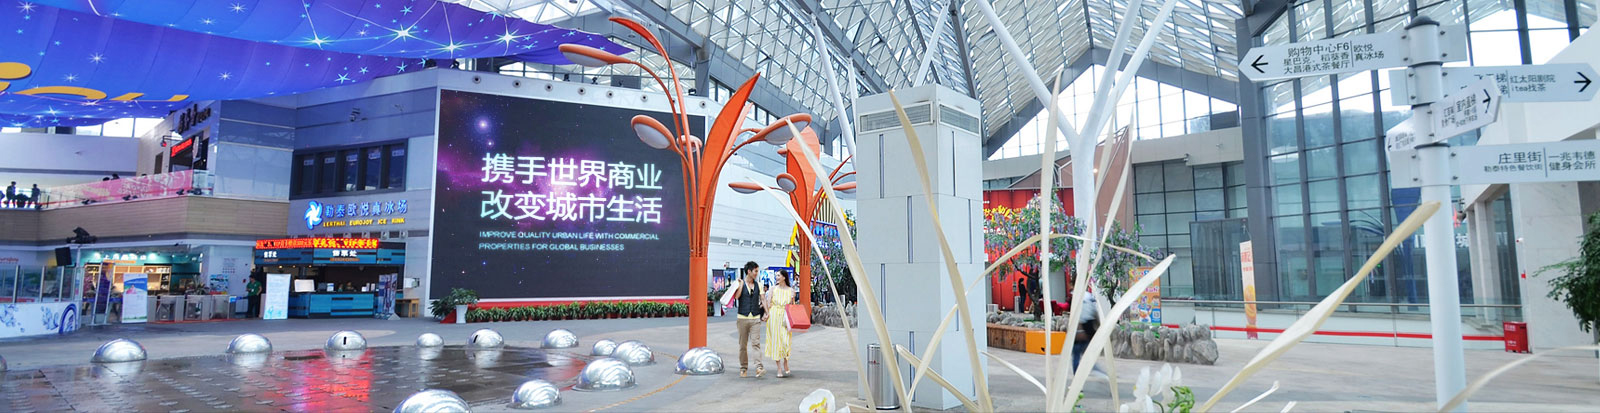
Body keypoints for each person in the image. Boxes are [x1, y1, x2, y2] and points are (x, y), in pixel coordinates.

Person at [725, 261, 766, 378]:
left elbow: (763, 299)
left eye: (757, 271)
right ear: (749, 271)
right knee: (743, 345)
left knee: (756, 343)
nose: (757, 273)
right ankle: (743, 368)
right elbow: (737, 297)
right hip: (742, 318)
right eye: (755, 271)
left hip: (755, 318)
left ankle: (759, 367)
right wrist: (741, 284)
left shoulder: (759, 285)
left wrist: (767, 312)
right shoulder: (740, 283)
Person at [1071, 288, 1109, 381]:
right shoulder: (1088, 296)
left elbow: (1077, 316)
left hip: (1081, 333)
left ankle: (1078, 379)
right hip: (1088, 332)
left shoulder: (1078, 297)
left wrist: (1079, 331)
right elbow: (1095, 314)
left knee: (1078, 356)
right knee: (1086, 356)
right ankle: (1097, 372)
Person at [764, 270, 796, 378]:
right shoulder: (773, 289)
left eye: (778, 275)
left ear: (784, 277)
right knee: (776, 342)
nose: (777, 277)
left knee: (786, 341)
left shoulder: (791, 290)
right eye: (776, 275)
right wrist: (766, 314)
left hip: (785, 315)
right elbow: (768, 303)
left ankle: (786, 361)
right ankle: (779, 368)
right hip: (774, 315)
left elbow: (792, 305)